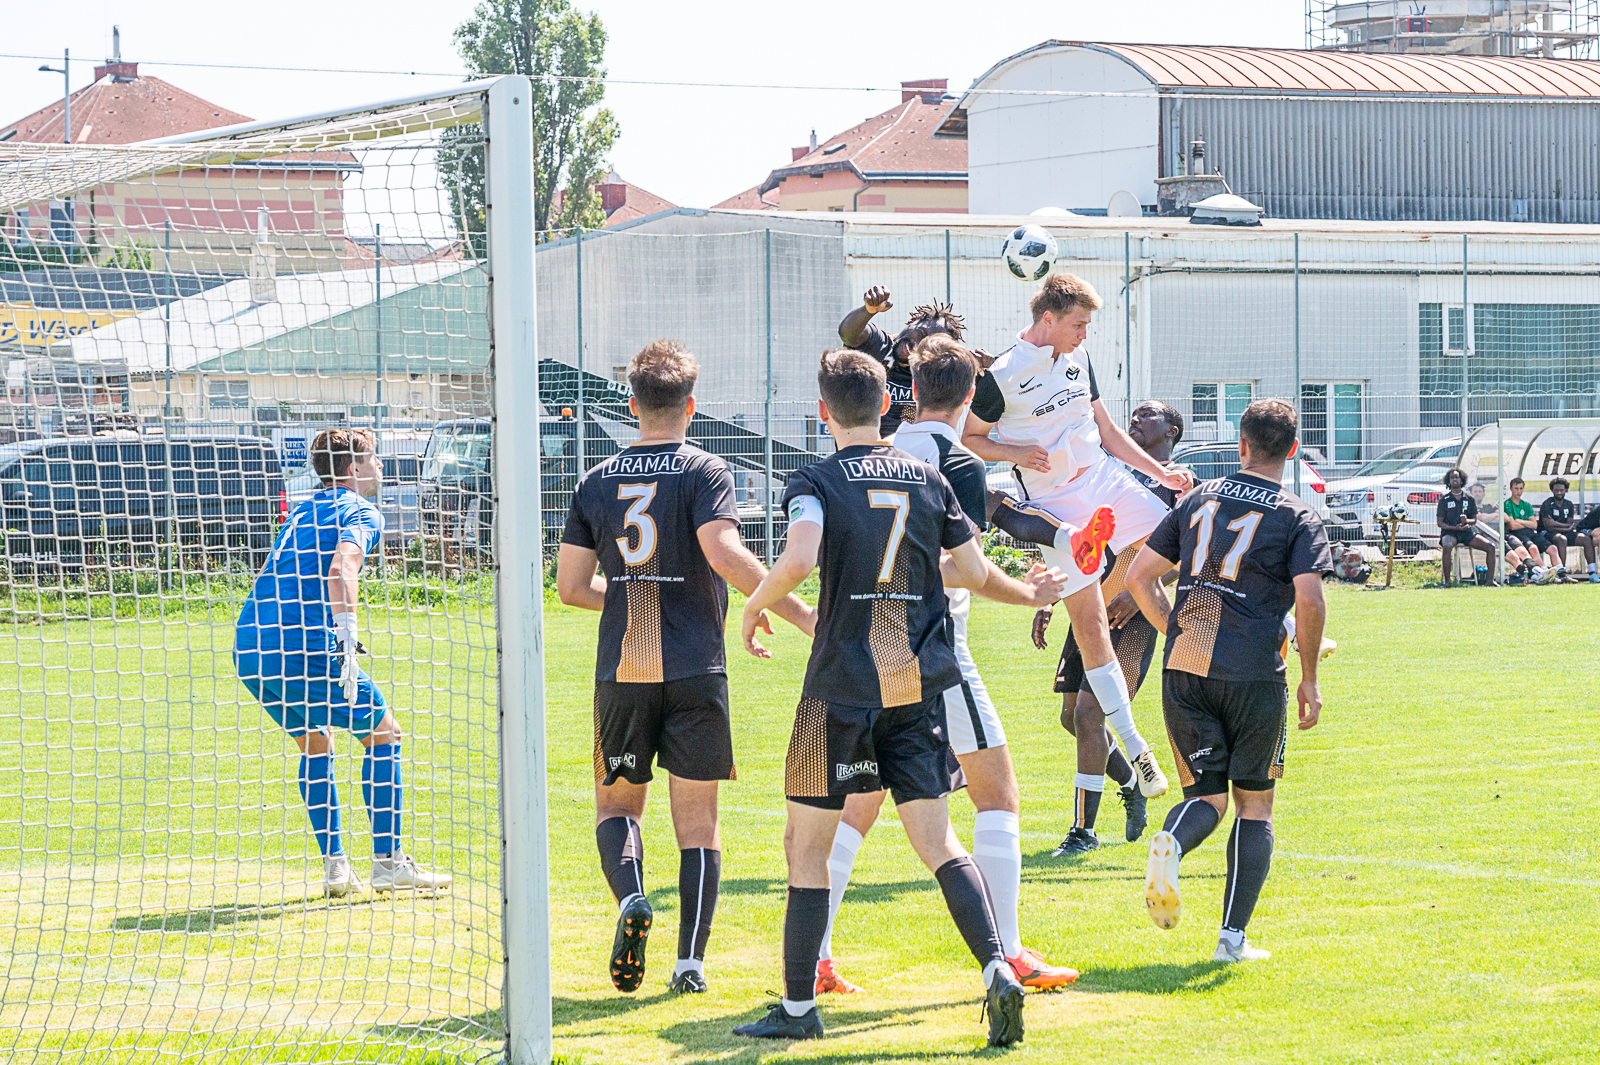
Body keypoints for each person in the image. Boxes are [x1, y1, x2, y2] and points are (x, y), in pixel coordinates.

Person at [733, 349, 1031, 1046]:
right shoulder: (930, 478)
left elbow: (800, 557)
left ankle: (798, 1008)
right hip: (915, 685)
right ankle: (997, 966)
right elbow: (972, 570)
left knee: (807, 848)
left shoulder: (814, 479)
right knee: (938, 841)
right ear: (888, 406)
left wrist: (754, 603)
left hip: (839, 688)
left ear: (823, 412)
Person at [811, 336, 1078, 997]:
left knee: (860, 801)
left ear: (909, 391)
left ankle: (815, 955)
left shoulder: (884, 446)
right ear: (971, 395)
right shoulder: (955, 462)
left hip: (863, 647)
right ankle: (1009, 951)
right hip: (935, 648)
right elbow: (964, 570)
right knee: (997, 794)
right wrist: (1031, 594)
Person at [556, 340, 815, 995]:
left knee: (617, 805)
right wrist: (798, 613)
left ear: (633, 405)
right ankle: (689, 964)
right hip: (697, 667)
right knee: (698, 823)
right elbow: (724, 554)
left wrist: (630, 594)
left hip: (623, 670)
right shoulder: (704, 469)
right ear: (691, 406)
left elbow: (570, 587)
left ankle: (631, 900)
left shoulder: (594, 480)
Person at [963, 274, 1195, 801]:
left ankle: (1272, 628)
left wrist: (1162, 476)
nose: (1085, 334)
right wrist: (1014, 453)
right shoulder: (1002, 376)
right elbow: (970, 438)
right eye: (1079, 324)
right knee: (1090, 628)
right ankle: (1136, 748)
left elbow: (1109, 433)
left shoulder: (1078, 359)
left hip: (1106, 482)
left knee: (1182, 541)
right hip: (1057, 504)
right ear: (1049, 319)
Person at [1125, 398, 1333, 964]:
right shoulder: (1296, 515)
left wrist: (1174, 629)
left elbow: (1141, 576)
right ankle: (1231, 941)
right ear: (1293, 450)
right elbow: (1310, 599)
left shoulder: (1197, 498)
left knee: (1206, 797)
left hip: (1184, 667)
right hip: (1251, 672)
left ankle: (1171, 844)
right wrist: (1310, 678)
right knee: (1254, 805)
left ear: (1241, 444)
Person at [234, 427, 451, 898]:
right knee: (385, 733)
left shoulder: (304, 507)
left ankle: (336, 869)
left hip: (250, 644)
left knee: (316, 742)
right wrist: (347, 639)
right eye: (373, 458)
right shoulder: (360, 510)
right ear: (354, 468)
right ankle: (389, 863)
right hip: (302, 644)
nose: (380, 466)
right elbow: (341, 568)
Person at [1030, 400, 1185, 856]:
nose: (1136, 419)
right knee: (1070, 717)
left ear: (1172, 430)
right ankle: (1132, 780)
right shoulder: (1110, 474)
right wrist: (1051, 598)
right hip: (1089, 608)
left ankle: (1083, 831)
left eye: (1148, 415)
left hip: (1131, 619)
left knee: (1088, 715)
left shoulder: (1176, 484)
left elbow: (1187, 555)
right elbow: (1081, 544)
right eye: (1133, 414)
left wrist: (1138, 594)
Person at [837, 286, 974, 437]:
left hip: (907, 450)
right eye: (920, 333)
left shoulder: (929, 373)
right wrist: (867, 310)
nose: (915, 345)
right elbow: (848, 333)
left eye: (925, 345)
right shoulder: (879, 345)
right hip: (860, 446)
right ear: (914, 321)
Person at [1435, 468, 1498, 587]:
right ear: (1448, 481)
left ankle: (1490, 581)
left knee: (1491, 547)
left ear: (1462, 479)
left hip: (1467, 533)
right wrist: (1454, 528)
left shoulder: (1469, 499)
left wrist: (1467, 521)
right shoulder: (1444, 500)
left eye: (1457, 477)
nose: (1454, 480)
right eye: (1452, 478)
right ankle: (1447, 582)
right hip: (1450, 532)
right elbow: (1440, 523)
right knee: (1447, 545)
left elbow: (1474, 519)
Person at [1497, 478, 1557, 583]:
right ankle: (1542, 571)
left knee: (1553, 548)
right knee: (1533, 548)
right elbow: (1512, 526)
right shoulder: (1507, 504)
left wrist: (1519, 521)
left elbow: (1534, 525)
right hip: (1517, 534)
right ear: (1511, 489)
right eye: (1516, 488)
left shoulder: (1526, 505)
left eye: (1521, 488)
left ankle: (1560, 574)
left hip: (1529, 532)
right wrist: (1526, 523)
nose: (1518, 491)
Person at [1539, 477, 1581, 581]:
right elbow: (1548, 525)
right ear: (1552, 490)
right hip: (1546, 533)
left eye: (1561, 490)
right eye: (1556, 490)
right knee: (1561, 539)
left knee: (1585, 538)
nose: (1559, 492)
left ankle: (1593, 572)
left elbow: (1569, 523)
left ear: (1565, 490)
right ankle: (1561, 573)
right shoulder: (1547, 504)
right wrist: (1566, 527)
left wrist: (1556, 523)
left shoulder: (1569, 504)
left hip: (1563, 532)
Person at [1573, 500, 1600, 582]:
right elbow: (1580, 528)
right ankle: (1592, 573)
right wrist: (1590, 532)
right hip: (1588, 532)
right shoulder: (1597, 511)